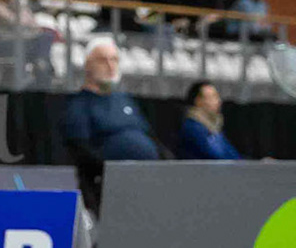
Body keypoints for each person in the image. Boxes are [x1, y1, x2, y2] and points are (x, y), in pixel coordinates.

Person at [63, 36, 163, 215]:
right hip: (112, 187)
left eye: (114, 59)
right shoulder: (79, 105)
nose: (110, 66)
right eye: (103, 60)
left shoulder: (124, 99)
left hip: (150, 182)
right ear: (88, 65)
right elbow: (81, 150)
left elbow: (147, 135)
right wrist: (117, 171)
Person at [177, 81, 242, 161]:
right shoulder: (194, 128)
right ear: (198, 101)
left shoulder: (212, 126)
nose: (218, 101)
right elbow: (217, 155)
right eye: (212, 97)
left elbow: (232, 154)